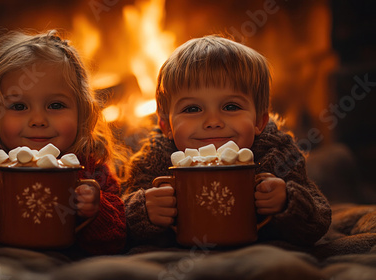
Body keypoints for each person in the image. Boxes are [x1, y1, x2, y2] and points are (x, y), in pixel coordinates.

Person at [0, 30, 126, 255]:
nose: (38, 120)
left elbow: (117, 235)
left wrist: (96, 211)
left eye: (56, 105)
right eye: (19, 107)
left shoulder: (90, 169)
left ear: (83, 112)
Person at [122, 35, 331, 247]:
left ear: (259, 121)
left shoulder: (277, 154)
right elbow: (118, 225)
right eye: (192, 109)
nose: (213, 122)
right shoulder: (154, 161)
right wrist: (143, 211)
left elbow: (319, 220)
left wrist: (287, 202)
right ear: (166, 126)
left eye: (231, 107)